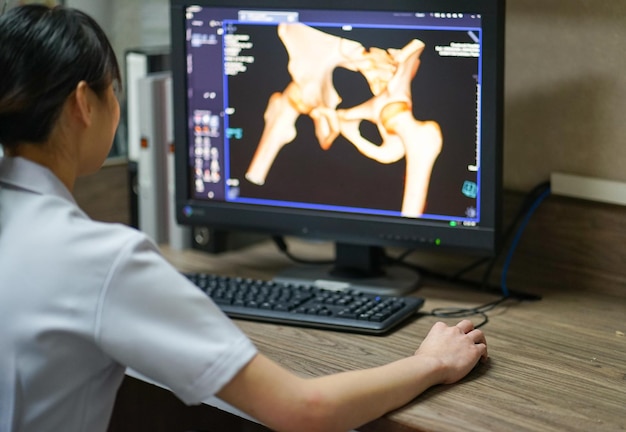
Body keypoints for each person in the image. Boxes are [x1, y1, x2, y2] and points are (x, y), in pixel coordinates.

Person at [0, 5, 488, 432]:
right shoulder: (101, 262)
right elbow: (304, 411)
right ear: (85, 104)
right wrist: (431, 363)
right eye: (113, 91)